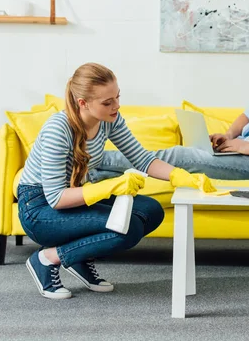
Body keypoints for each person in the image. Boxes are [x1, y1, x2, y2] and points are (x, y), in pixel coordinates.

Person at [18, 63, 215, 300]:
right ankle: (47, 258)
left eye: (117, 96)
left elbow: (141, 158)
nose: (116, 106)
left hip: (73, 199)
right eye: (107, 102)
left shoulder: (110, 120)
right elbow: (56, 198)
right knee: (126, 228)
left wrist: (180, 175)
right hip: (39, 209)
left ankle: (77, 257)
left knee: (150, 210)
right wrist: (110, 186)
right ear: (83, 103)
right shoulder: (58, 129)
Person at [103, 18, 249, 181]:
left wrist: (248, 147)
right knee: (178, 158)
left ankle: (94, 159)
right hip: (242, 151)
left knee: (177, 156)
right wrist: (229, 136)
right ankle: (92, 174)